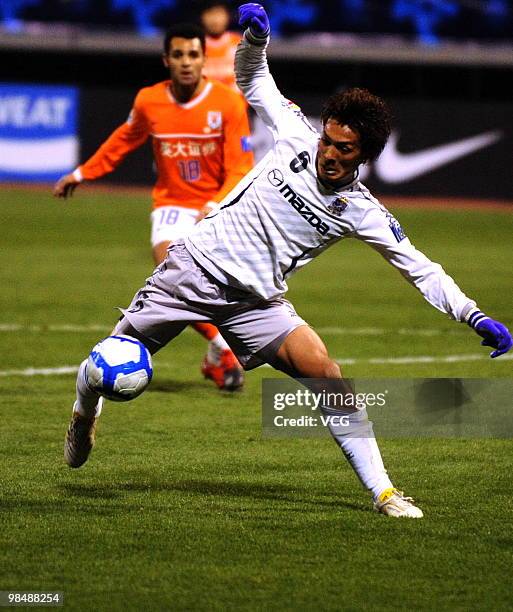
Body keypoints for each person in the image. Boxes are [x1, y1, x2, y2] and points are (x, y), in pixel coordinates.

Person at [64, 4, 513, 518]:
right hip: (192, 269)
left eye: (343, 148)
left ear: (363, 157)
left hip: (256, 302)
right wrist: (256, 39)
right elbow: (254, 79)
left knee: (328, 374)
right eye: (328, 139)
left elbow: (420, 268)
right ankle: (83, 413)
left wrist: (472, 313)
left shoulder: (363, 212)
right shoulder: (297, 134)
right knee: (107, 364)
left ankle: (384, 493)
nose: (328, 152)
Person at [53, 23, 254, 392]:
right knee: (172, 271)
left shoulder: (228, 103)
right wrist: (82, 173)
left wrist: (213, 204)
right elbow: (122, 140)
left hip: (219, 203)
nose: (186, 62)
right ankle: (222, 347)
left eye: (193, 55)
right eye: (178, 55)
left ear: (204, 60)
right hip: (172, 204)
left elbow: (241, 165)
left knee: (215, 289)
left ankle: (215, 354)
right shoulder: (150, 100)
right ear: (166, 60)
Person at [200, 1, 242, 94]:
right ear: (202, 16)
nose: (215, 20)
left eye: (219, 13)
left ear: (227, 16)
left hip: (235, 104)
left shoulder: (240, 43)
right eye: (210, 14)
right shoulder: (195, 44)